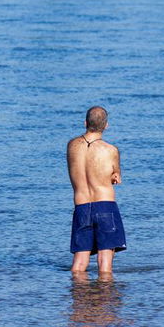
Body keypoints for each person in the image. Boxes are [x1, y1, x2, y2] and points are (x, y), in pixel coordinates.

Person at [66, 105, 125, 277]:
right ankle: (104, 301)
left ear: (85, 122)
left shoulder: (71, 146)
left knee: (79, 263)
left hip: (81, 206)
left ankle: (78, 299)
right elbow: (116, 178)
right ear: (106, 126)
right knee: (104, 263)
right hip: (105, 205)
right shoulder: (111, 150)